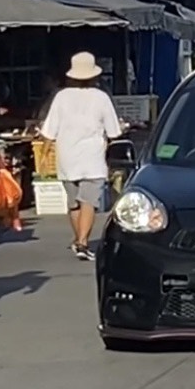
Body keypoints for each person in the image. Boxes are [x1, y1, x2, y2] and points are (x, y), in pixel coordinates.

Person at [39, 52, 124, 262]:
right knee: (89, 202)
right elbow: (114, 132)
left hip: (67, 157)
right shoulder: (101, 97)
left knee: (74, 203)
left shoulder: (61, 97)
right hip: (93, 158)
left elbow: (49, 131)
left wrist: (44, 156)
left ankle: (79, 239)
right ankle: (83, 242)